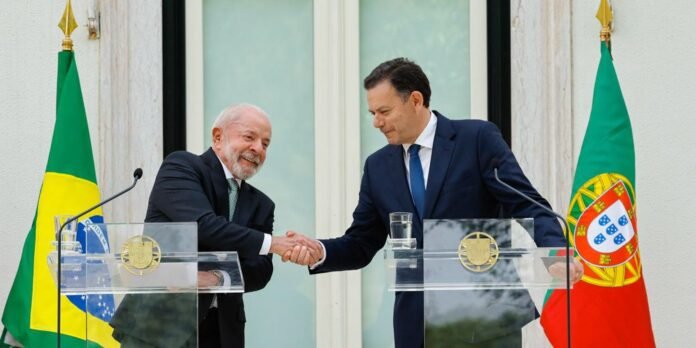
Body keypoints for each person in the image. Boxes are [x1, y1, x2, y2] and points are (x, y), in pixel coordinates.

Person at [284, 58, 583, 347]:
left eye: (384, 111)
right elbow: (362, 242)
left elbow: (527, 203)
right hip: (417, 326)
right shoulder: (378, 166)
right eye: (372, 113)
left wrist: (557, 250)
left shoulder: (476, 139)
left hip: (486, 319)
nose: (376, 122)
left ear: (415, 100)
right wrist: (319, 251)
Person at [110, 103, 313, 348]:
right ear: (218, 137)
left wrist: (215, 278)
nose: (258, 148)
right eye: (249, 137)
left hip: (222, 331)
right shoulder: (181, 167)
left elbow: (260, 270)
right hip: (159, 327)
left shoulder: (262, 204)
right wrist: (275, 244)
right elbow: (204, 226)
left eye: (266, 144)